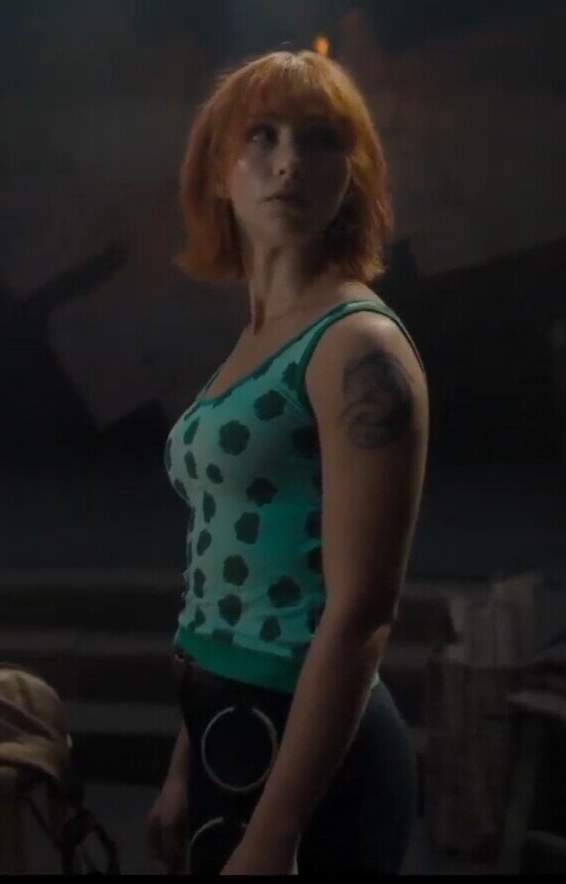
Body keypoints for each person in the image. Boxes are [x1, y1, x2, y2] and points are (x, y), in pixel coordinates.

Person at [145, 48, 429, 876]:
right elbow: (225, 578)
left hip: (311, 750)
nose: (288, 162)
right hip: (228, 724)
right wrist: (183, 763)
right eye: (260, 135)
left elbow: (362, 610)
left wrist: (274, 834)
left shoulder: (356, 346)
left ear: (352, 171)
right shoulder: (258, 337)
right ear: (217, 171)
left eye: (318, 139)